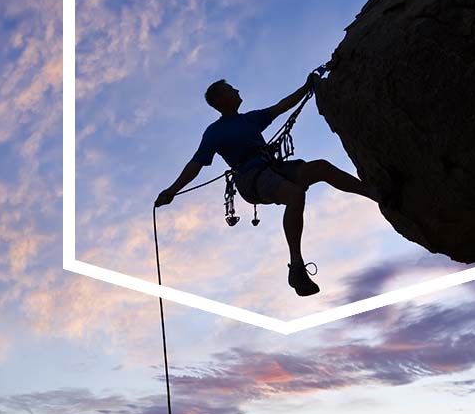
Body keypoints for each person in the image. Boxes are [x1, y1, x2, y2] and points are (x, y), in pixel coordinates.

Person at [154, 75, 379, 296]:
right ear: (221, 100)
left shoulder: (250, 119)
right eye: (231, 89)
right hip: (251, 178)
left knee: (320, 167)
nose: (237, 91)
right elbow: (196, 163)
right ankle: (296, 266)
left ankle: (374, 193)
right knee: (294, 194)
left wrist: (306, 86)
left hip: (272, 168)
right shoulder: (215, 132)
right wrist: (173, 190)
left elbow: (281, 107)